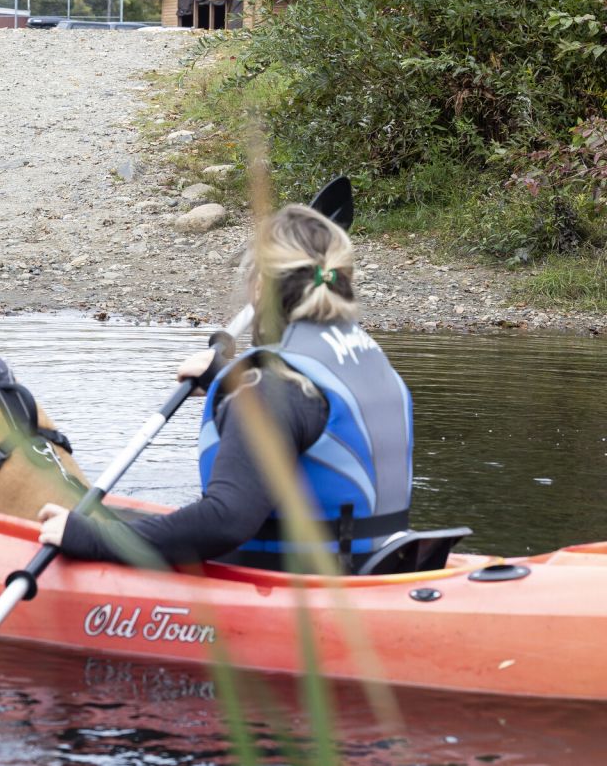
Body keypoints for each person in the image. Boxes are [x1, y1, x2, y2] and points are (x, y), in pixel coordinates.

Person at [37, 204, 414, 573]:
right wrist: (226, 378)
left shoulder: (270, 391)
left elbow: (225, 521)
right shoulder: (370, 365)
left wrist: (95, 539)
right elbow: (309, 413)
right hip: (378, 568)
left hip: (300, 590)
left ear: (262, 286)